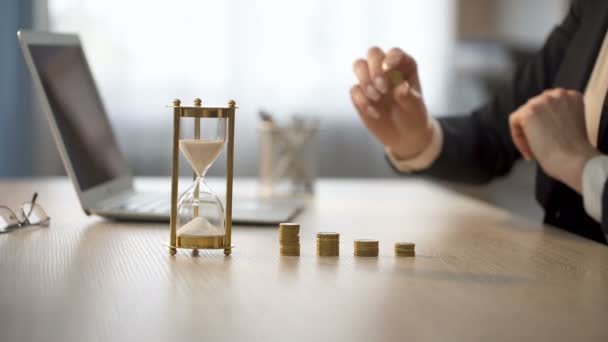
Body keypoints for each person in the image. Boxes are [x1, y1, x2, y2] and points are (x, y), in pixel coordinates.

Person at [350, 0, 608, 244]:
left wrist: (581, 165)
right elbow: (494, 134)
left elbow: (569, 154)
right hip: (564, 272)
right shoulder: (593, 6)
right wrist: (420, 138)